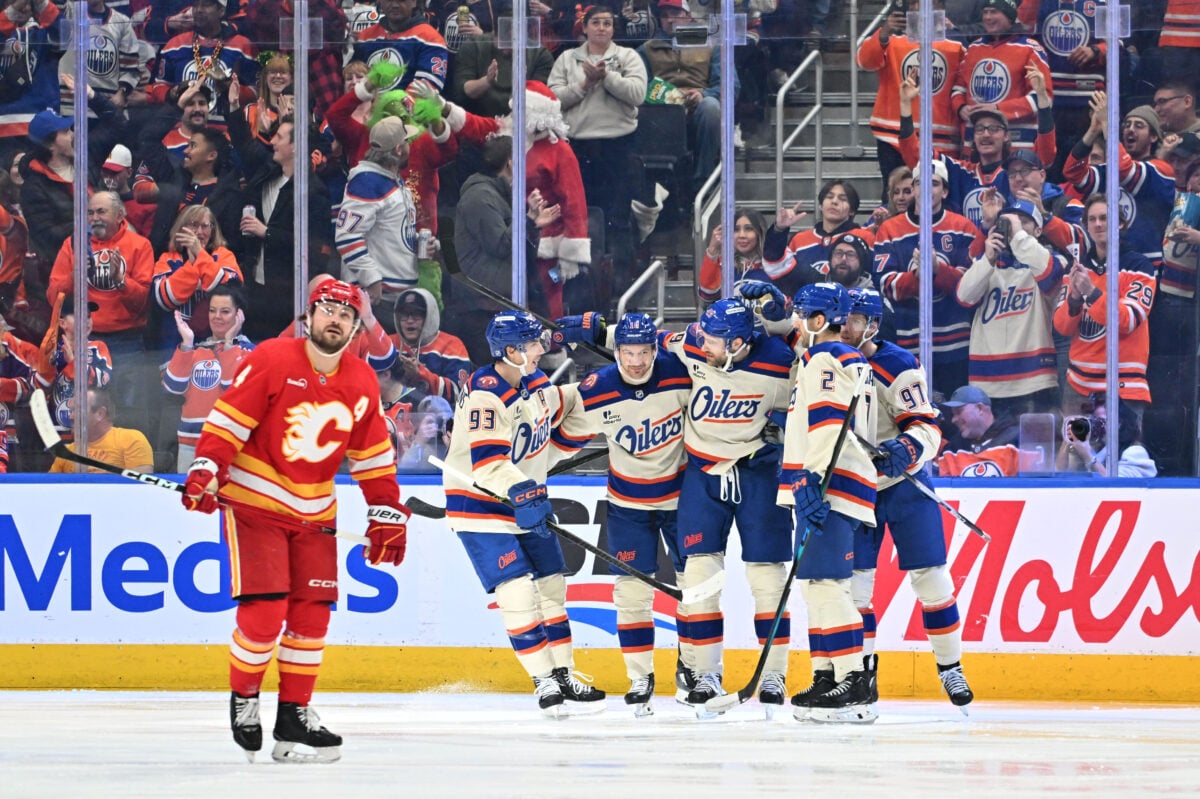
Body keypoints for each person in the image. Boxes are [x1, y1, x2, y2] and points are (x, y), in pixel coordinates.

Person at [179, 277, 412, 763]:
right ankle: (245, 699)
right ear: (309, 316)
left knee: (310, 617)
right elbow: (227, 422)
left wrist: (386, 512)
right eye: (328, 310)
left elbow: (371, 459)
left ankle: (293, 717)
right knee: (265, 614)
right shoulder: (271, 358)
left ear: (354, 328)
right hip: (256, 505)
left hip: (315, 515)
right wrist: (207, 468)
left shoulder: (360, 380)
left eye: (346, 315)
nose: (336, 319)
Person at [442, 310, 606, 716]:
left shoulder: (531, 381)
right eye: (534, 344)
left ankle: (564, 674)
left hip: (522, 498)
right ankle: (543, 681)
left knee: (551, 586)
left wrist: (606, 383)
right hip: (481, 505)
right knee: (516, 592)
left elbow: (566, 403)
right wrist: (522, 489)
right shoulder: (485, 394)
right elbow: (490, 465)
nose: (541, 349)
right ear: (511, 351)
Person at [550, 312, 692, 715]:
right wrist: (519, 478)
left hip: (682, 504)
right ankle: (640, 677)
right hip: (628, 507)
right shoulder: (597, 390)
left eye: (643, 351)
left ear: (655, 348)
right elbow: (562, 444)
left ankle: (694, 667)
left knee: (696, 590)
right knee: (631, 596)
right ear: (616, 352)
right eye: (626, 352)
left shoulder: (681, 373)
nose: (635, 361)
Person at [840, 287, 974, 711]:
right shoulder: (823, 360)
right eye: (839, 317)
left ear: (873, 325)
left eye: (852, 320)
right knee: (855, 591)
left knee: (932, 580)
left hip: (903, 487)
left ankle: (951, 667)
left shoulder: (897, 365)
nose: (842, 326)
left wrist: (910, 447)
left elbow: (928, 428)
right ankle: (862, 676)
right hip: (853, 487)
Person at [777, 282, 877, 724]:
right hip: (841, 483)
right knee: (816, 584)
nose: (797, 323)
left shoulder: (825, 359)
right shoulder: (843, 358)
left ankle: (854, 678)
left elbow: (827, 425)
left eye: (803, 316)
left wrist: (809, 482)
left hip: (828, 485)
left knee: (826, 586)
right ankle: (827, 675)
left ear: (820, 321)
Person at [548, 4, 648, 280]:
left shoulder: (627, 56)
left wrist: (607, 77)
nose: (602, 28)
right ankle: (586, 279)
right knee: (583, 214)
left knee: (618, 216)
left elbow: (638, 93)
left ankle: (622, 280)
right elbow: (553, 99)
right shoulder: (568, 59)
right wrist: (583, 85)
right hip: (578, 148)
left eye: (607, 23)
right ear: (585, 27)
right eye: (596, 23)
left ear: (614, 28)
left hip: (619, 146)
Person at [875, 160, 983, 397]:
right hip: (909, 343)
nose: (926, 189)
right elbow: (886, 284)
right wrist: (917, 275)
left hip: (956, 344)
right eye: (919, 183)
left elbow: (972, 286)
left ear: (944, 191)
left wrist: (936, 270)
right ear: (912, 189)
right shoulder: (890, 229)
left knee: (955, 415)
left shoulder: (963, 227)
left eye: (933, 184)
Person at [955, 195, 1064, 414]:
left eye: (1024, 222)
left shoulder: (1051, 260)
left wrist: (1019, 238)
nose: (1016, 227)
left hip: (1033, 378)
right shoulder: (987, 263)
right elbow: (964, 298)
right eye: (1011, 222)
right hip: (987, 380)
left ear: (1038, 231)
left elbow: (1051, 275)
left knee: (1034, 447)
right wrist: (987, 259)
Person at [1053, 194, 1155, 423]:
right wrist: (1076, 299)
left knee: (1124, 456)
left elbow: (1127, 321)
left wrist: (1091, 292)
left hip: (1123, 384)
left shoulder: (1139, 267)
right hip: (1078, 385)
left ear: (1120, 223)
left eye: (1104, 218)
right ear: (1086, 226)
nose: (1098, 224)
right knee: (1074, 456)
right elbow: (1062, 327)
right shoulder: (1078, 269)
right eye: (1092, 219)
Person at [336, 115, 423, 324]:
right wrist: (371, 279)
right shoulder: (366, 182)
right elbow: (346, 237)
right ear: (398, 150)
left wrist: (421, 243)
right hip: (376, 301)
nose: (410, 146)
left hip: (397, 299)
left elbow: (394, 232)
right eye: (407, 142)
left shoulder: (392, 180)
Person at [162, 283, 253, 471]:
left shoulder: (249, 352)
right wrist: (187, 343)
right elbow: (172, 388)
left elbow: (233, 390)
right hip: (190, 442)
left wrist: (228, 345)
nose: (217, 317)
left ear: (239, 315)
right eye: (212, 310)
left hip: (231, 443)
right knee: (190, 499)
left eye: (225, 311)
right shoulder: (196, 350)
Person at [152, 204, 243, 342]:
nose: (199, 232)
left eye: (205, 226)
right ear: (181, 228)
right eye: (193, 225)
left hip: (221, 337)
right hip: (175, 338)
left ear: (212, 230)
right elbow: (164, 299)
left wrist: (199, 254)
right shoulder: (168, 259)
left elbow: (231, 291)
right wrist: (194, 266)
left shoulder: (224, 255)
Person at [389, 288, 472, 405]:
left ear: (430, 316)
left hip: (437, 419)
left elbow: (459, 394)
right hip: (392, 417)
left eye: (417, 314)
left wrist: (420, 374)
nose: (409, 320)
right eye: (404, 314)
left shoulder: (452, 345)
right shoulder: (388, 343)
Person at [48, 387, 153, 474]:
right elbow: (48, 490)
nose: (71, 416)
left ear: (100, 414)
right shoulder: (67, 451)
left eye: (77, 410)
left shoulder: (130, 439)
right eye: (71, 411)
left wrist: (96, 479)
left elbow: (142, 484)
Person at [934, 384, 1029, 476]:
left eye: (959, 411)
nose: (953, 420)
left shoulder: (1018, 442)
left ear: (979, 408)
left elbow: (1032, 486)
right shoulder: (951, 450)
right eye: (953, 414)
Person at [1057, 393, 1158, 477]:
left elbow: (1116, 487)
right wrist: (1068, 438)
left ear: (1119, 423)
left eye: (1102, 421)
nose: (1097, 425)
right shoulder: (1097, 451)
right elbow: (1060, 474)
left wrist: (1087, 456)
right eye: (1094, 420)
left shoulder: (1134, 452)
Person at [697, 209, 769, 304]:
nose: (742, 235)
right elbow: (707, 296)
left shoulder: (774, 266)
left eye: (748, 229)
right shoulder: (724, 265)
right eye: (736, 230)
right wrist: (712, 250)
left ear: (759, 233)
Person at [397, 395, 452, 471]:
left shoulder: (455, 441)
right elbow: (405, 469)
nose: (442, 426)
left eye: (446, 422)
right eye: (434, 421)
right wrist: (419, 441)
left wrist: (454, 448)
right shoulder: (419, 447)